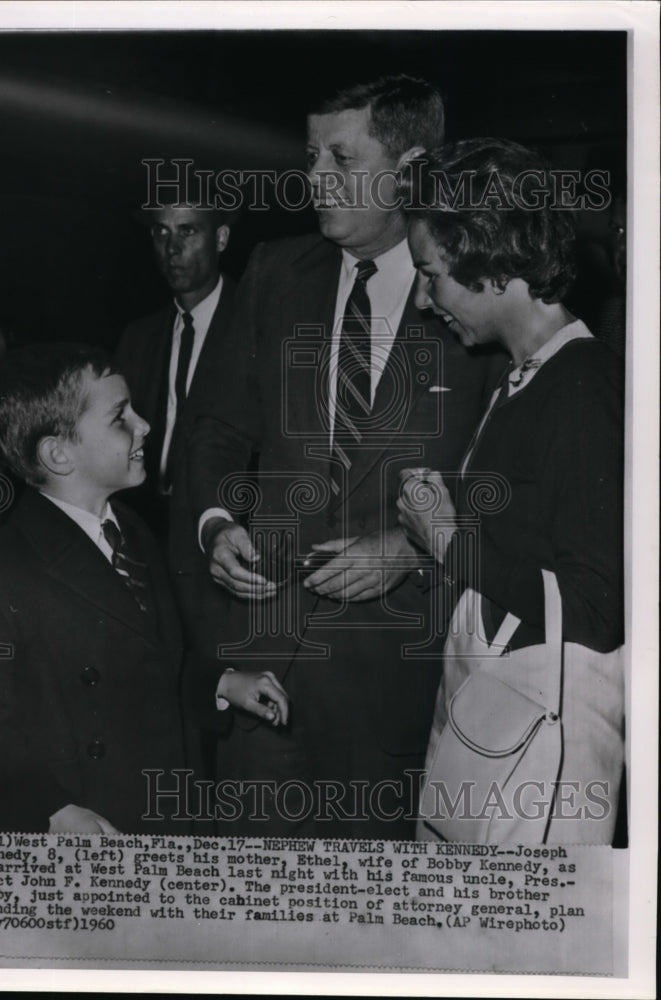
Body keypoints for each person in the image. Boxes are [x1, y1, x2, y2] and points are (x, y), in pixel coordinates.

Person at [188, 76, 499, 838]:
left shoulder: (478, 294)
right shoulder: (270, 275)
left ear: (410, 166)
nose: (313, 179)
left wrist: (416, 548)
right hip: (263, 672)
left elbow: (519, 485)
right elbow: (212, 433)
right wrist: (215, 524)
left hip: (400, 688)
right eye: (309, 155)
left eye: (340, 158)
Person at [396, 138, 624, 843]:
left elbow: (596, 608)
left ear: (492, 267)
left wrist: (445, 541)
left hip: (537, 763)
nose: (424, 298)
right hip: (492, 737)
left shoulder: (585, 387)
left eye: (431, 274)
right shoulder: (522, 381)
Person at [0, 343, 288, 833]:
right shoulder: (0, 569)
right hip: (90, 821)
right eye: (121, 417)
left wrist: (219, 683)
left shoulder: (133, 530)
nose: (144, 425)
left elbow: (154, 661)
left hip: (165, 806)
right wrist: (50, 808)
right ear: (58, 453)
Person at [115, 197, 236, 660]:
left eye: (188, 231)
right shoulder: (139, 336)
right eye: (160, 233)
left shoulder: (259, 322)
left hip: (222, 541)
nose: (171, 247)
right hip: (148, 535)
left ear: (221, 238)